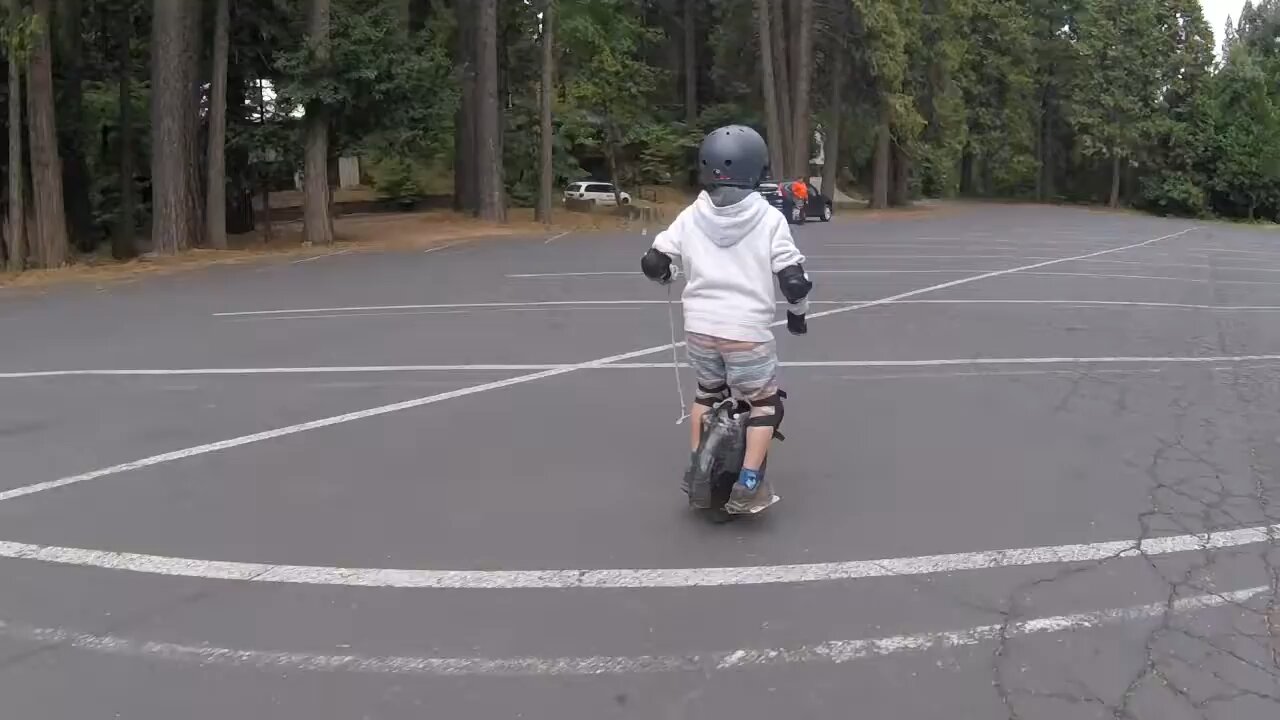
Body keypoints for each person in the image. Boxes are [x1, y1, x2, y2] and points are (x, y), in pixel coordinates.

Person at [640, 125, 813, 514]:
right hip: (745, 331)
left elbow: (654, 261)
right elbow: (795, 282)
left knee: (708, 393)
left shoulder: (692, 214)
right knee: (764, 403)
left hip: (699, 328)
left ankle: (696, 469)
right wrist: (798, 318)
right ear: (757, 169)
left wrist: (667, 275)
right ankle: (749, 483)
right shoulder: (769, 219)